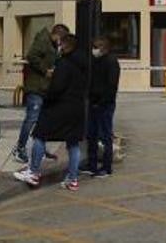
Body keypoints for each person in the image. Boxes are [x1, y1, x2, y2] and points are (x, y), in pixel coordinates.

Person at [14, 34, 86, 190]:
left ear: (64, 46)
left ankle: (33, 172)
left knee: (39, 135)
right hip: (77, 109)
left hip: (59, 108)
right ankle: (73, 179)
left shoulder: (63, 63)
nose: (58, 47)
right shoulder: (83, 63)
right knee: (73, 143)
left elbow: (57, 88)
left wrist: (47, 96)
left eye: (60, 44)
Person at [12, 23, 69, 163]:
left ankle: (40, 148)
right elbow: (31, 56)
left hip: (44, 88)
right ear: (57, 35)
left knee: (42, 120)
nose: (61, 42)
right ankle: (19, 148)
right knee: (31, 119)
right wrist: (45, 70)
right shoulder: (43, 41)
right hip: (36, 87)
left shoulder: (52, 45)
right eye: (61, 39)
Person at [84, 37, 120, 177]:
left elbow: (111, 86)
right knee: (91, 134)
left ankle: (106, 167)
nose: (94, 49)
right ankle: (91, 164)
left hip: (105, 105)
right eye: (93, 46)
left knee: (105, 136)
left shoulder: (111, 62)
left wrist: (102, 102)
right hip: (94, 103)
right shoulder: (95, 61)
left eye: (97, 46)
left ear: (104, 48)